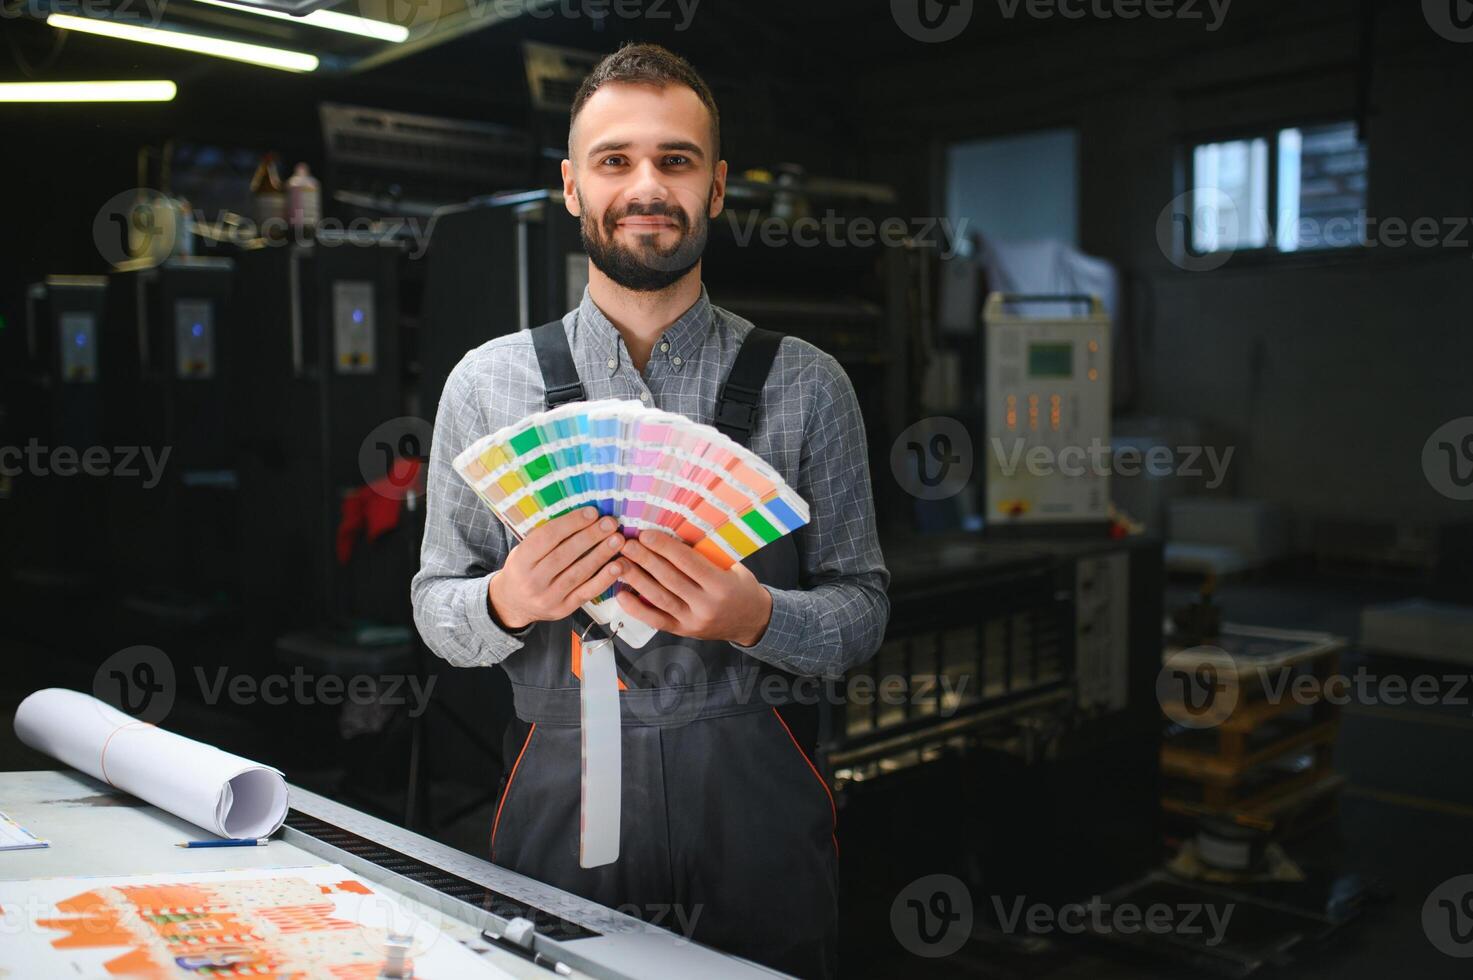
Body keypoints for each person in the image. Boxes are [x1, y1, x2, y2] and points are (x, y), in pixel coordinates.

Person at [411, 42, 890, 979]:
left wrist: (757, 616)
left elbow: (864, 609)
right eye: (614, 160)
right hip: (566, 790)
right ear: (571, 187)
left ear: (715, 187)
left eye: (674, 160)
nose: (645, 185)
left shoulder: (808, 384)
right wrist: (507, 600)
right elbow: (434, 608)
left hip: (752, 798)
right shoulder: (488, 383)